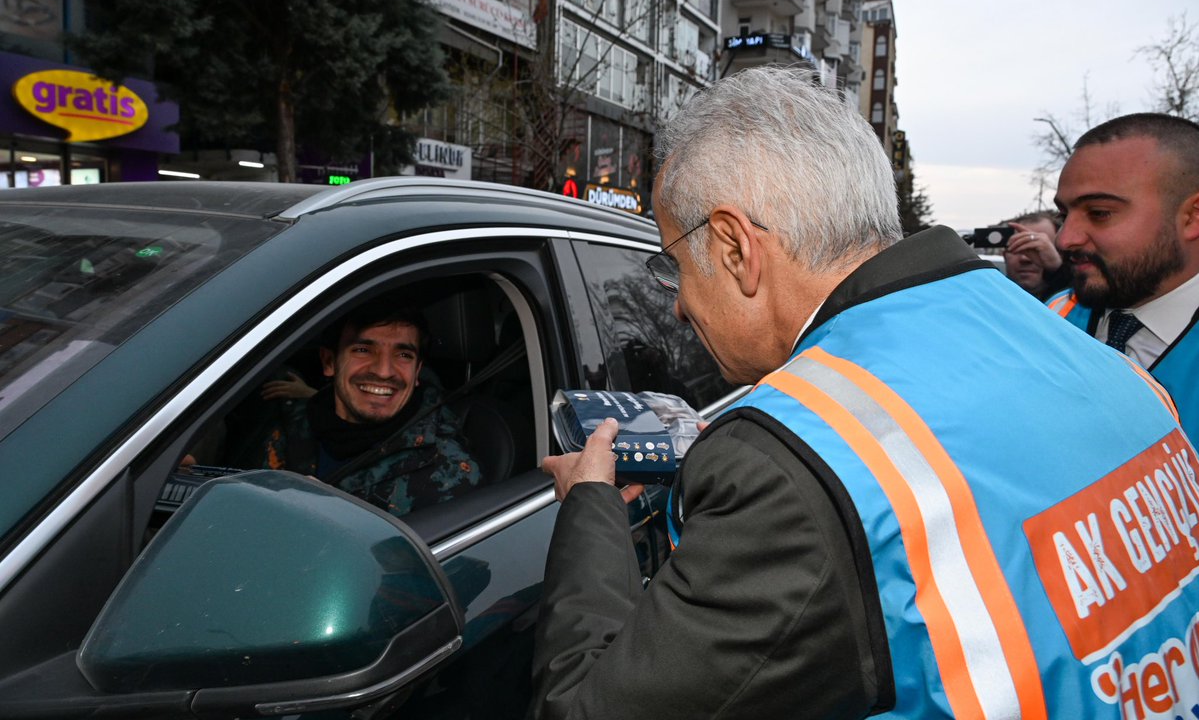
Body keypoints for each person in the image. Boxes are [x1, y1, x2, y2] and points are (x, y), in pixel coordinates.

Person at [532, 67, 1198, 719]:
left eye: (674, 264)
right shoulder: (1072, 345)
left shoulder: (786, 464)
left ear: (736, 249)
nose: (675, 305)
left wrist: (589, 505)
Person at [1048, 113, 1199, 442]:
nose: (1064, 238)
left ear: (1192, 217)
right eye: (1063, 214)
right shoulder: (1053, 318)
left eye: (1099, 213)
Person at [256, 297, 480, 516]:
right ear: (329, 362)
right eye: (363, 349)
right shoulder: (291, 427)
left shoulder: (446, 471)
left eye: (403, 355)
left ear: (417, 371)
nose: (384, 371)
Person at [1002, 210, 1070, 299]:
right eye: (1017, 246)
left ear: (1060, 254)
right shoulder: (987, 297)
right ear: (1004, 255)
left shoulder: (1082, 304)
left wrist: (1059, 272)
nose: (1025, 258)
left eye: (1038, 248)